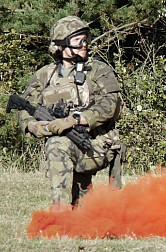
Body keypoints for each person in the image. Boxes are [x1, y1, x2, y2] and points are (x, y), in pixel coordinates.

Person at [18, 16, 124, 208]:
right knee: (84, 208)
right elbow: (25, 107)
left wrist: (76, 120)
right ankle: (73, 206)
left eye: (85, 40)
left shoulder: (99, 70)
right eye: (78, 41)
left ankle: (60, 214)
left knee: (57, 143)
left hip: (97, 146)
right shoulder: (45, 75)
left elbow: (110, 105)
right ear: (61, 46)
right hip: (69, 147)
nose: (84, 45)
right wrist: (32, 126)